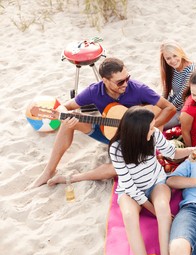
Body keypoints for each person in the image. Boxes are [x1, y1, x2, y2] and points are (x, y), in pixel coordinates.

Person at [30, 57, 176, 188]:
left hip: (133, 138)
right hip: (108, 131)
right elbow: (66, 107)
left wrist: (146, 128)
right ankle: (49, 171)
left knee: (118, 169)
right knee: (70, 119)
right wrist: (63, 115)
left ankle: (73, 178)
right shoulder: (94, 91)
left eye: (127, 78)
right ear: (105, 81)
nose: (125, 84)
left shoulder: (138, 88)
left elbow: (170, 108)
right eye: (120, 82)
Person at [109, 106, 193, 255]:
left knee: (162, 206)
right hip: (130, 191)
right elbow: (129, 185)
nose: (154, 130)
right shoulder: (117, 149)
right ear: (138, 131)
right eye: (151, 127)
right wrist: (149, 207)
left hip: (156, 183)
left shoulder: (154, 135)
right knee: (128, 215)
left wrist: (193, 149)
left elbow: (172, 153)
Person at [160, 40, 195, 130]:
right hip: (172, 103)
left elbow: (181, 97)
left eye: (175, 55)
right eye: (168, 58)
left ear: (180, 53)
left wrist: (167, 108)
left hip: (184, 108)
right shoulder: (170, 68)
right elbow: (165, 90)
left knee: (159, 124)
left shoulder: (190, 70)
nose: (173, 61)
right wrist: (161, 105)